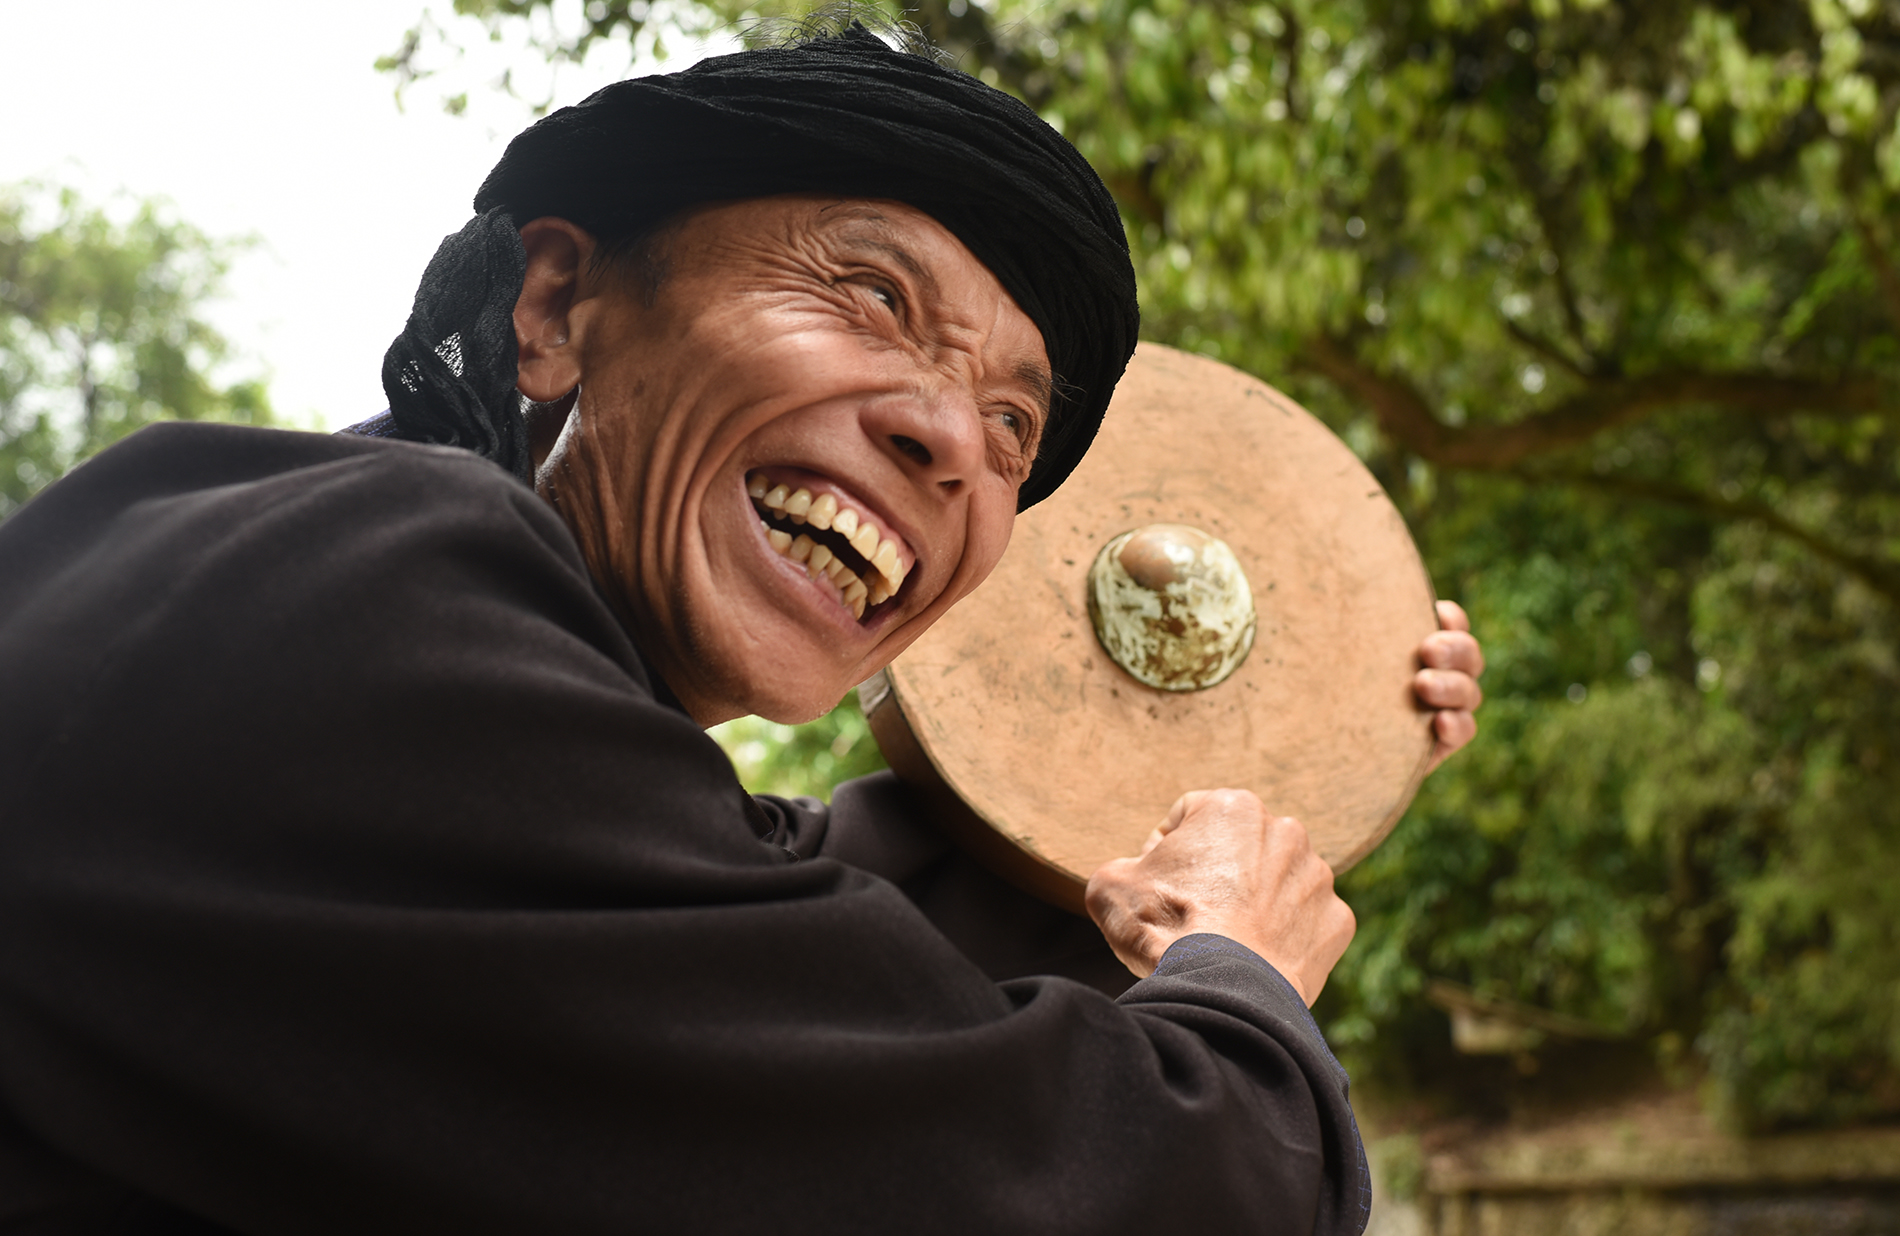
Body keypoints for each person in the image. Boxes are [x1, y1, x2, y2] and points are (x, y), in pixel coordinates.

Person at [0, 21, 1483, 1235]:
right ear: (556, 306)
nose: (952, 440)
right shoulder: (364, 593)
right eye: (874, 298)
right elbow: (1113, 1187)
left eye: (1014, 426)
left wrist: (1313, 721)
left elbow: (789, 929)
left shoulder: (396, 645)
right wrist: (1241, 989)